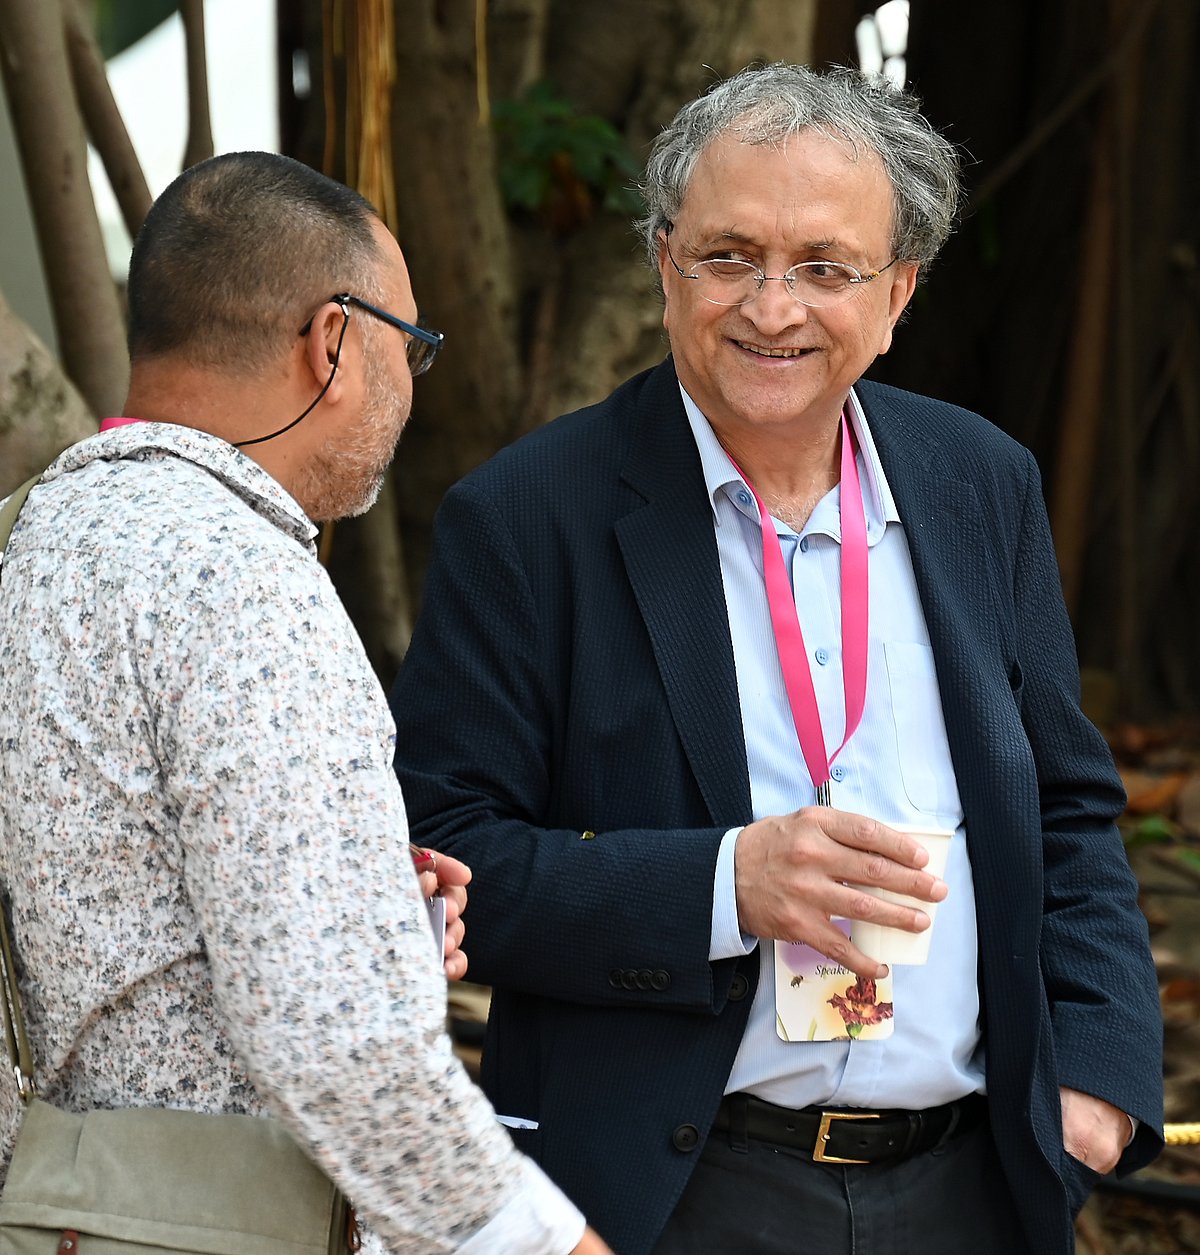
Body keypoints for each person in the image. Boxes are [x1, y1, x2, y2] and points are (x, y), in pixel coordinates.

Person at [389, 64, 1164, 1255]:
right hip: (672, 1191)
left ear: (897, 292)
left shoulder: (980, 483)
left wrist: (1098, 1087)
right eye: (727, 255)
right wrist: (722, 888)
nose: (772, 305)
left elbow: (1067, 807)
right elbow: (442, 860)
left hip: (972, 1185)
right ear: (662, 261)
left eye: (824, 267)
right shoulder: (528, 517)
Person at [0, 152, 610, 1255]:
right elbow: (340, 1039)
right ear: (334, 340)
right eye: (411, 345)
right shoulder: (244, 581)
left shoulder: (32, 544)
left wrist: (362, 899)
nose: (412, 381)